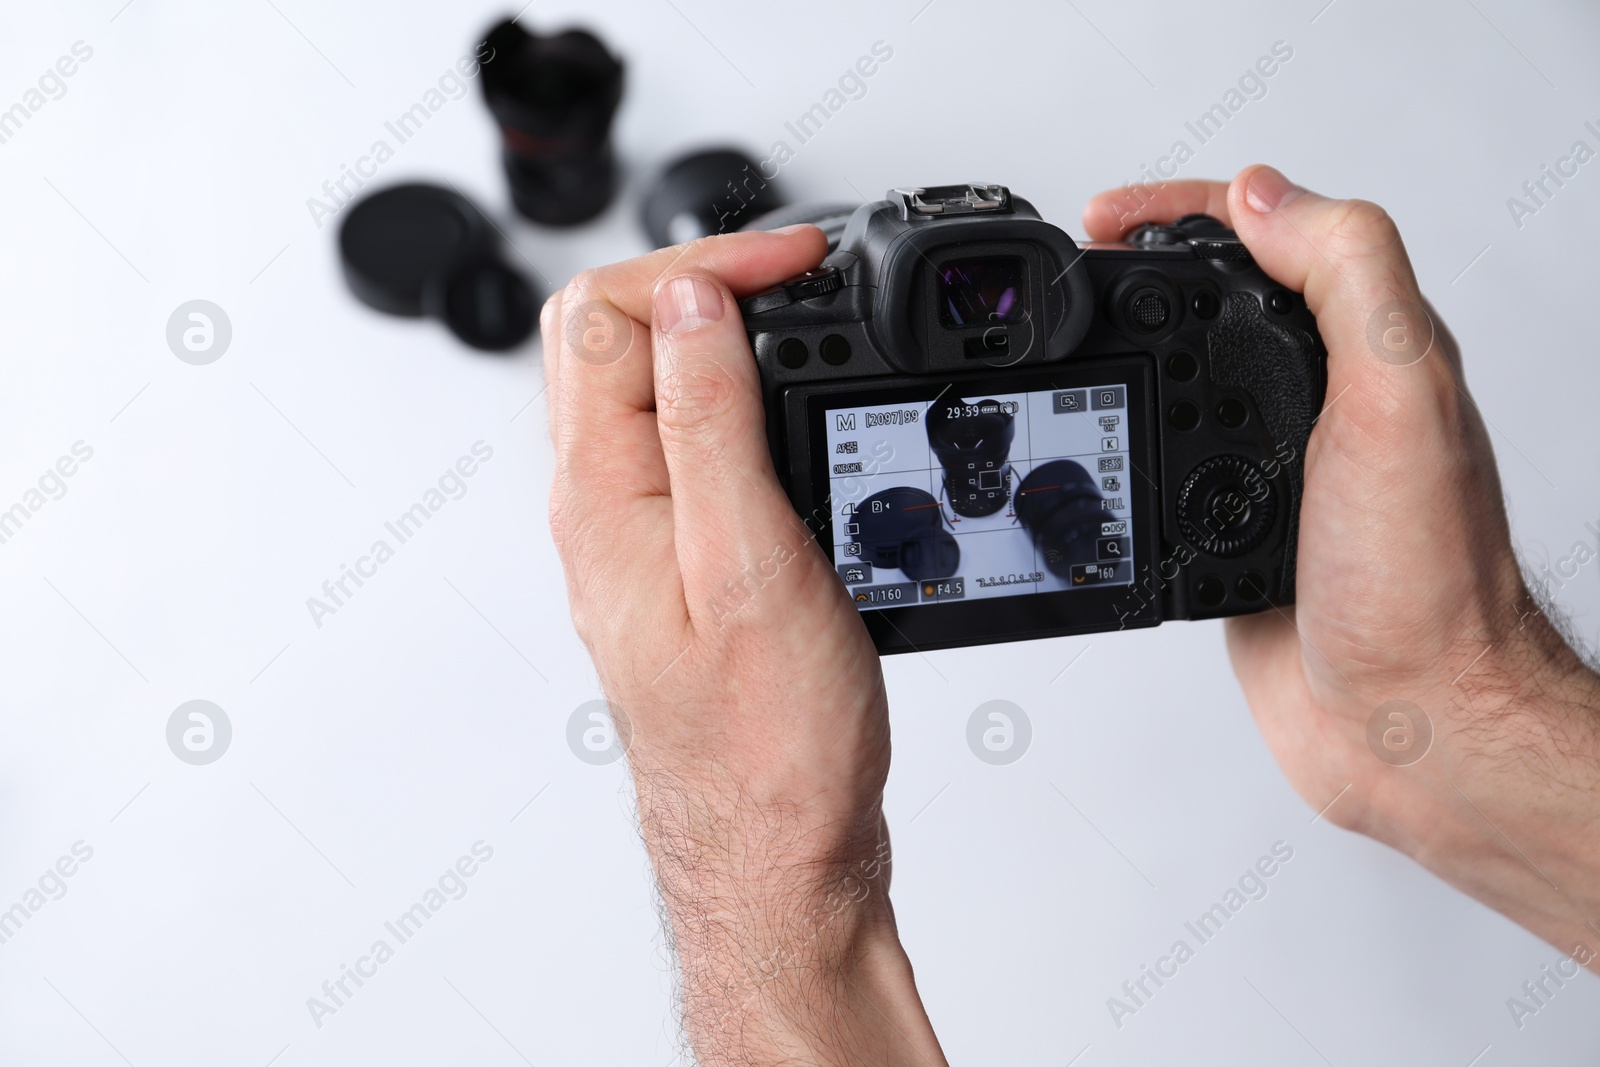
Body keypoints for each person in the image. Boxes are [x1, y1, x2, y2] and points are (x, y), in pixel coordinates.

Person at [539, 165, 1600, 1065]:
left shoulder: (1040, 496)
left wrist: (754, 852)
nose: (979, 451)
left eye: (992, 439)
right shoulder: (909, 511)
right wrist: (1449, 707)